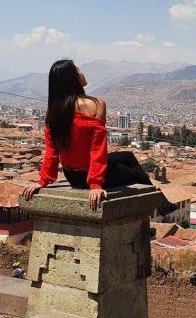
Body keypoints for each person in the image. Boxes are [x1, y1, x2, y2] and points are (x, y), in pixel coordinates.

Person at [22, 59, 151, 210]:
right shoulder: (96, 105)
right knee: (134, 173)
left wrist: (43, 181)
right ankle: (159, 206)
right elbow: (97, 148)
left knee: (128, 156)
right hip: (90, 177)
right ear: (72, 78)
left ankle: (163, 204)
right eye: (77, 70)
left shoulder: (53, 111)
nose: (81, 72)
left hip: (72, 177)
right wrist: (95, 183)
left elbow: (52, 151)